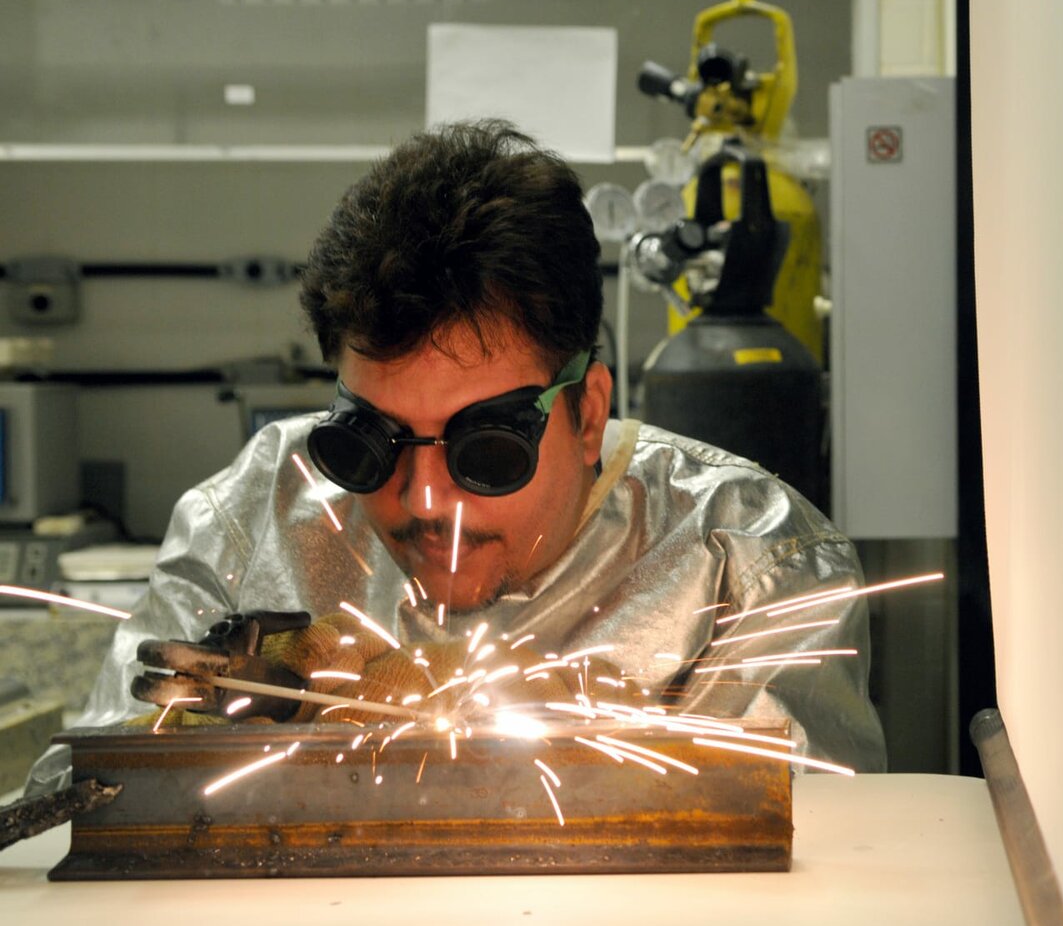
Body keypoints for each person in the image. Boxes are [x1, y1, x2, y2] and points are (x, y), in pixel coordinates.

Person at [26, 120, 884, 793]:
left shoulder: (750, 563)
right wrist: (206, 744)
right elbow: (76, 805)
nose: (426, 499)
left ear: (587, 412)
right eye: (373, 441)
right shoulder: (258, 511)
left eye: (488, 448)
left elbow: (801, 860)